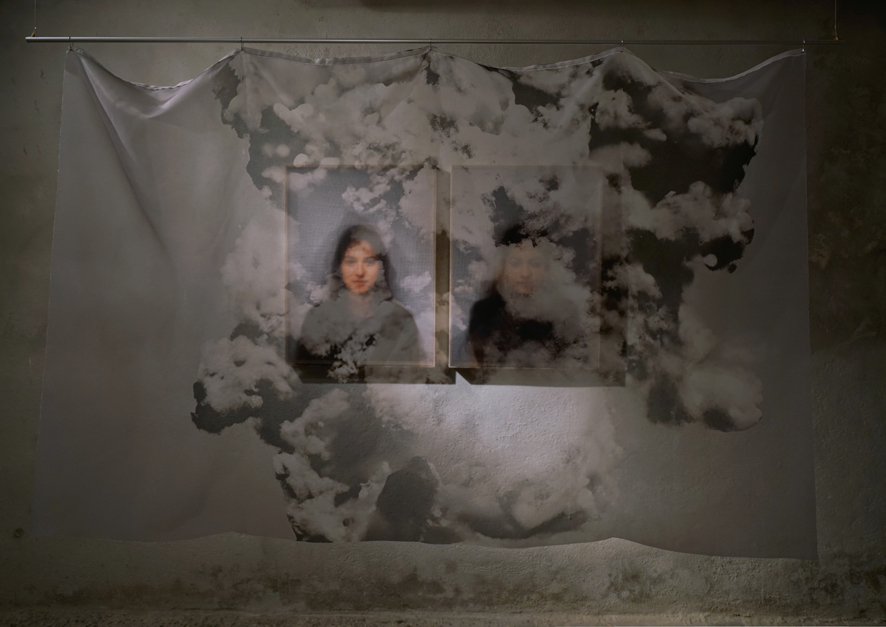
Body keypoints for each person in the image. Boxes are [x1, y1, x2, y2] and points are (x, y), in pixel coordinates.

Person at [290, 224, 422, 381]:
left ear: (381, 266)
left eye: (369, 261)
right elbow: (305, 381)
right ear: (339, 266)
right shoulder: (316, 319)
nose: (360, 272)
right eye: (351, 261)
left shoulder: (401, 321)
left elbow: (409, 382)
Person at [467, 224, 586, 368]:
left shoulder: (565, 312)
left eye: (535, 264)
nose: (525, 273)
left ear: (547, 268)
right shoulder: (484, 312)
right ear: (503, 267)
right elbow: (477, 370)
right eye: (515, 263)